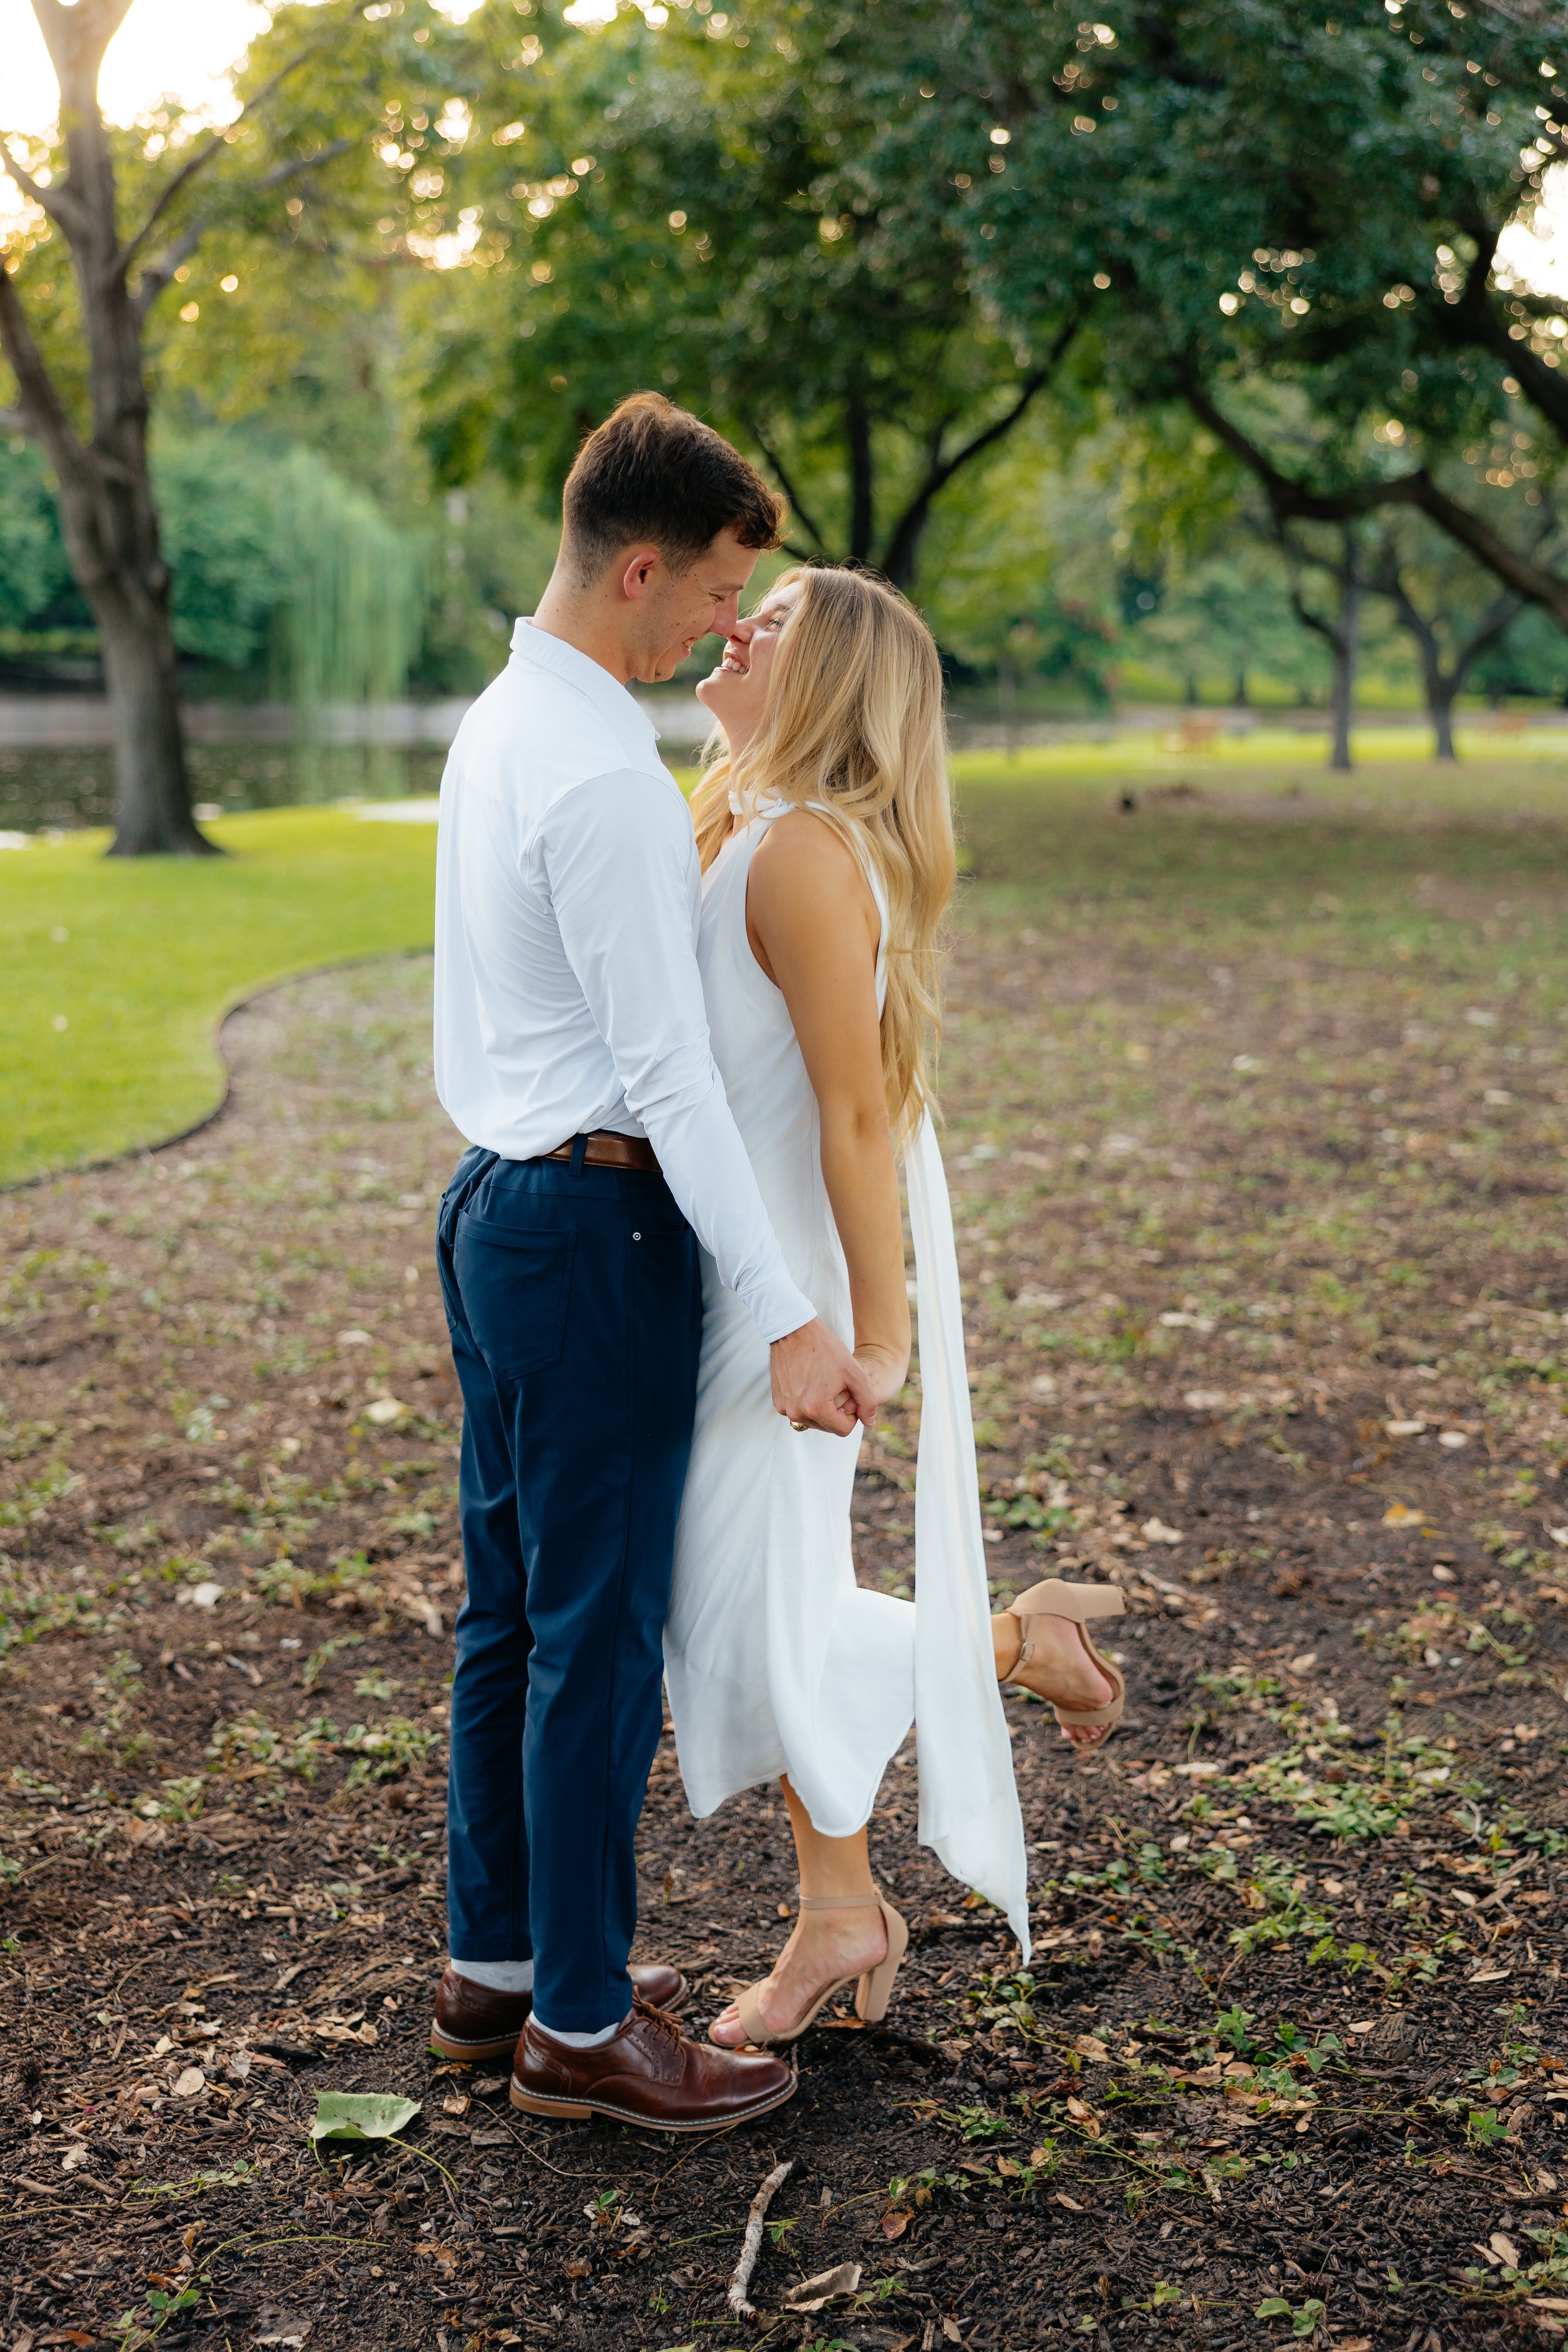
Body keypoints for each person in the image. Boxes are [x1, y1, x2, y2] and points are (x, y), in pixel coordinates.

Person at [428, 395, 879, 2133]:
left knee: (510, 1611)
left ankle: (500, 1962)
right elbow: (671, 1070)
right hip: (590, 1220)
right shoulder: (606, 775)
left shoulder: (501, 721)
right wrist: (785, 1307)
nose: (724, 627)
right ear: (638, 566)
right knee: (593, 1635)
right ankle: (586, 2023)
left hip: (494, 1200)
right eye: (712, 593)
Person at [663, 566, 1129, 2050]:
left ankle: (1000, 1667)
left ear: (831, 684)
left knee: (739, 1620)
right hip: (720, 1274)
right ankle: (842, 1900)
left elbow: (856, 1119)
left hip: (774, 1301)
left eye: (779, 618)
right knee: (751, 1616)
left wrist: (877, 1335)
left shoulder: (800, 853)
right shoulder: (739, 819)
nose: (742, 622)